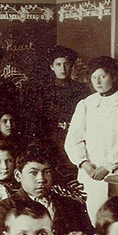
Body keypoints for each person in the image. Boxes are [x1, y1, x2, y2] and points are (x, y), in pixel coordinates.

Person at [0, 142, 93, 235]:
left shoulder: (72, 204)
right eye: (33, 173)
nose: (41, 179)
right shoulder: (5, 208)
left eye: (47, 172)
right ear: (18, 176)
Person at [65, 56, 118, 222]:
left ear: (113, 77)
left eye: (103, 76)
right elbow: (73, 138)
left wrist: (107, 166)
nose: (98, 81)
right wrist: (84, 163)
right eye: (94, 77)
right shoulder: (86, 104)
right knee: (93, 216)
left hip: (115, 169)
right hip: (90, 173)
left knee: (116, 217)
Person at [32, 46, 90, 179]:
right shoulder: (44, 91)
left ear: (72, 66)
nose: (62, 69)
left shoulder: (82, 90)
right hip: (53, 137)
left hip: (75, 135)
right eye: (58, 65)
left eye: (66, 64)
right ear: (52, 67)